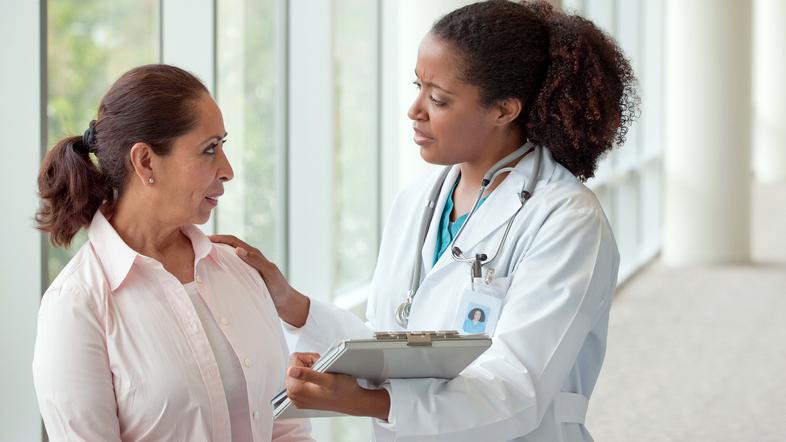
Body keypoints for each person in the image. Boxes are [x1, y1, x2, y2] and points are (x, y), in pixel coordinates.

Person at [213, 1, 638, 440]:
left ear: (504, 110)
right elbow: (391, 344)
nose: (415, 109)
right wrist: (290, 303)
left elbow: (517, 389)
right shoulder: (418, 199)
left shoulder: (567, 219)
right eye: (418, 87)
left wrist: (365, 403)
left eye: (438, 99)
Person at [32, 64, 312, 442]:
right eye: (208, 150)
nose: (227, 170)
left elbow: (285, 426)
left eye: (223, 146)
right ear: (145, 161)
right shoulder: (77, 307)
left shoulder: (238, 270)